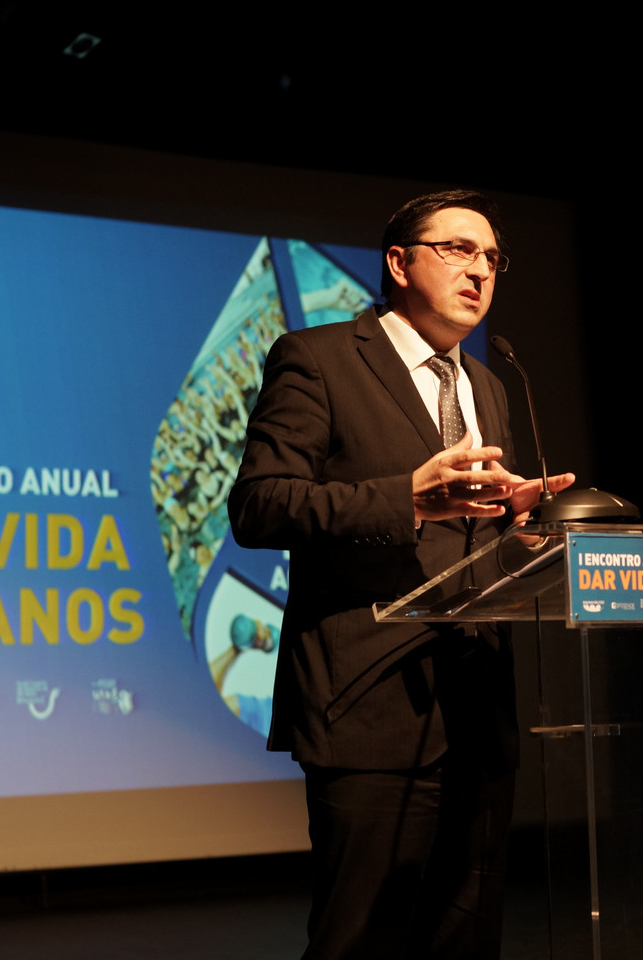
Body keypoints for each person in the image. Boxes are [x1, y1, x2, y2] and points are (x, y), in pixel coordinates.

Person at [228, 190, 574, 959]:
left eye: (492, 258)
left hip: (475, 709)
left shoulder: (485, 384)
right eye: (457, 250)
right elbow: (259, 507)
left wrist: (514, 526)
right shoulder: (318, 358)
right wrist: (404, 499)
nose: (479, 271)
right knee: (362, 942)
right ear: (398, 262)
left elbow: (465, 541)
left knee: (464, 941)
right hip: (369, 707)